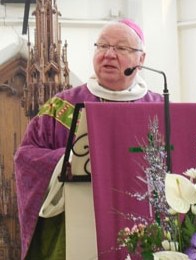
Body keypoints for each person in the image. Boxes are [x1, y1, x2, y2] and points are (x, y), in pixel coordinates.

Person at [14, 18, 163, 260]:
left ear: (141, 59)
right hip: (74, 224)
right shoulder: (62, 105)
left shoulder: (159, 108)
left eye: (121, 48)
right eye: (102, 46)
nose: (109, 55)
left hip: (142, 226)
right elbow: (25, 158)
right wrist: (67, 160)